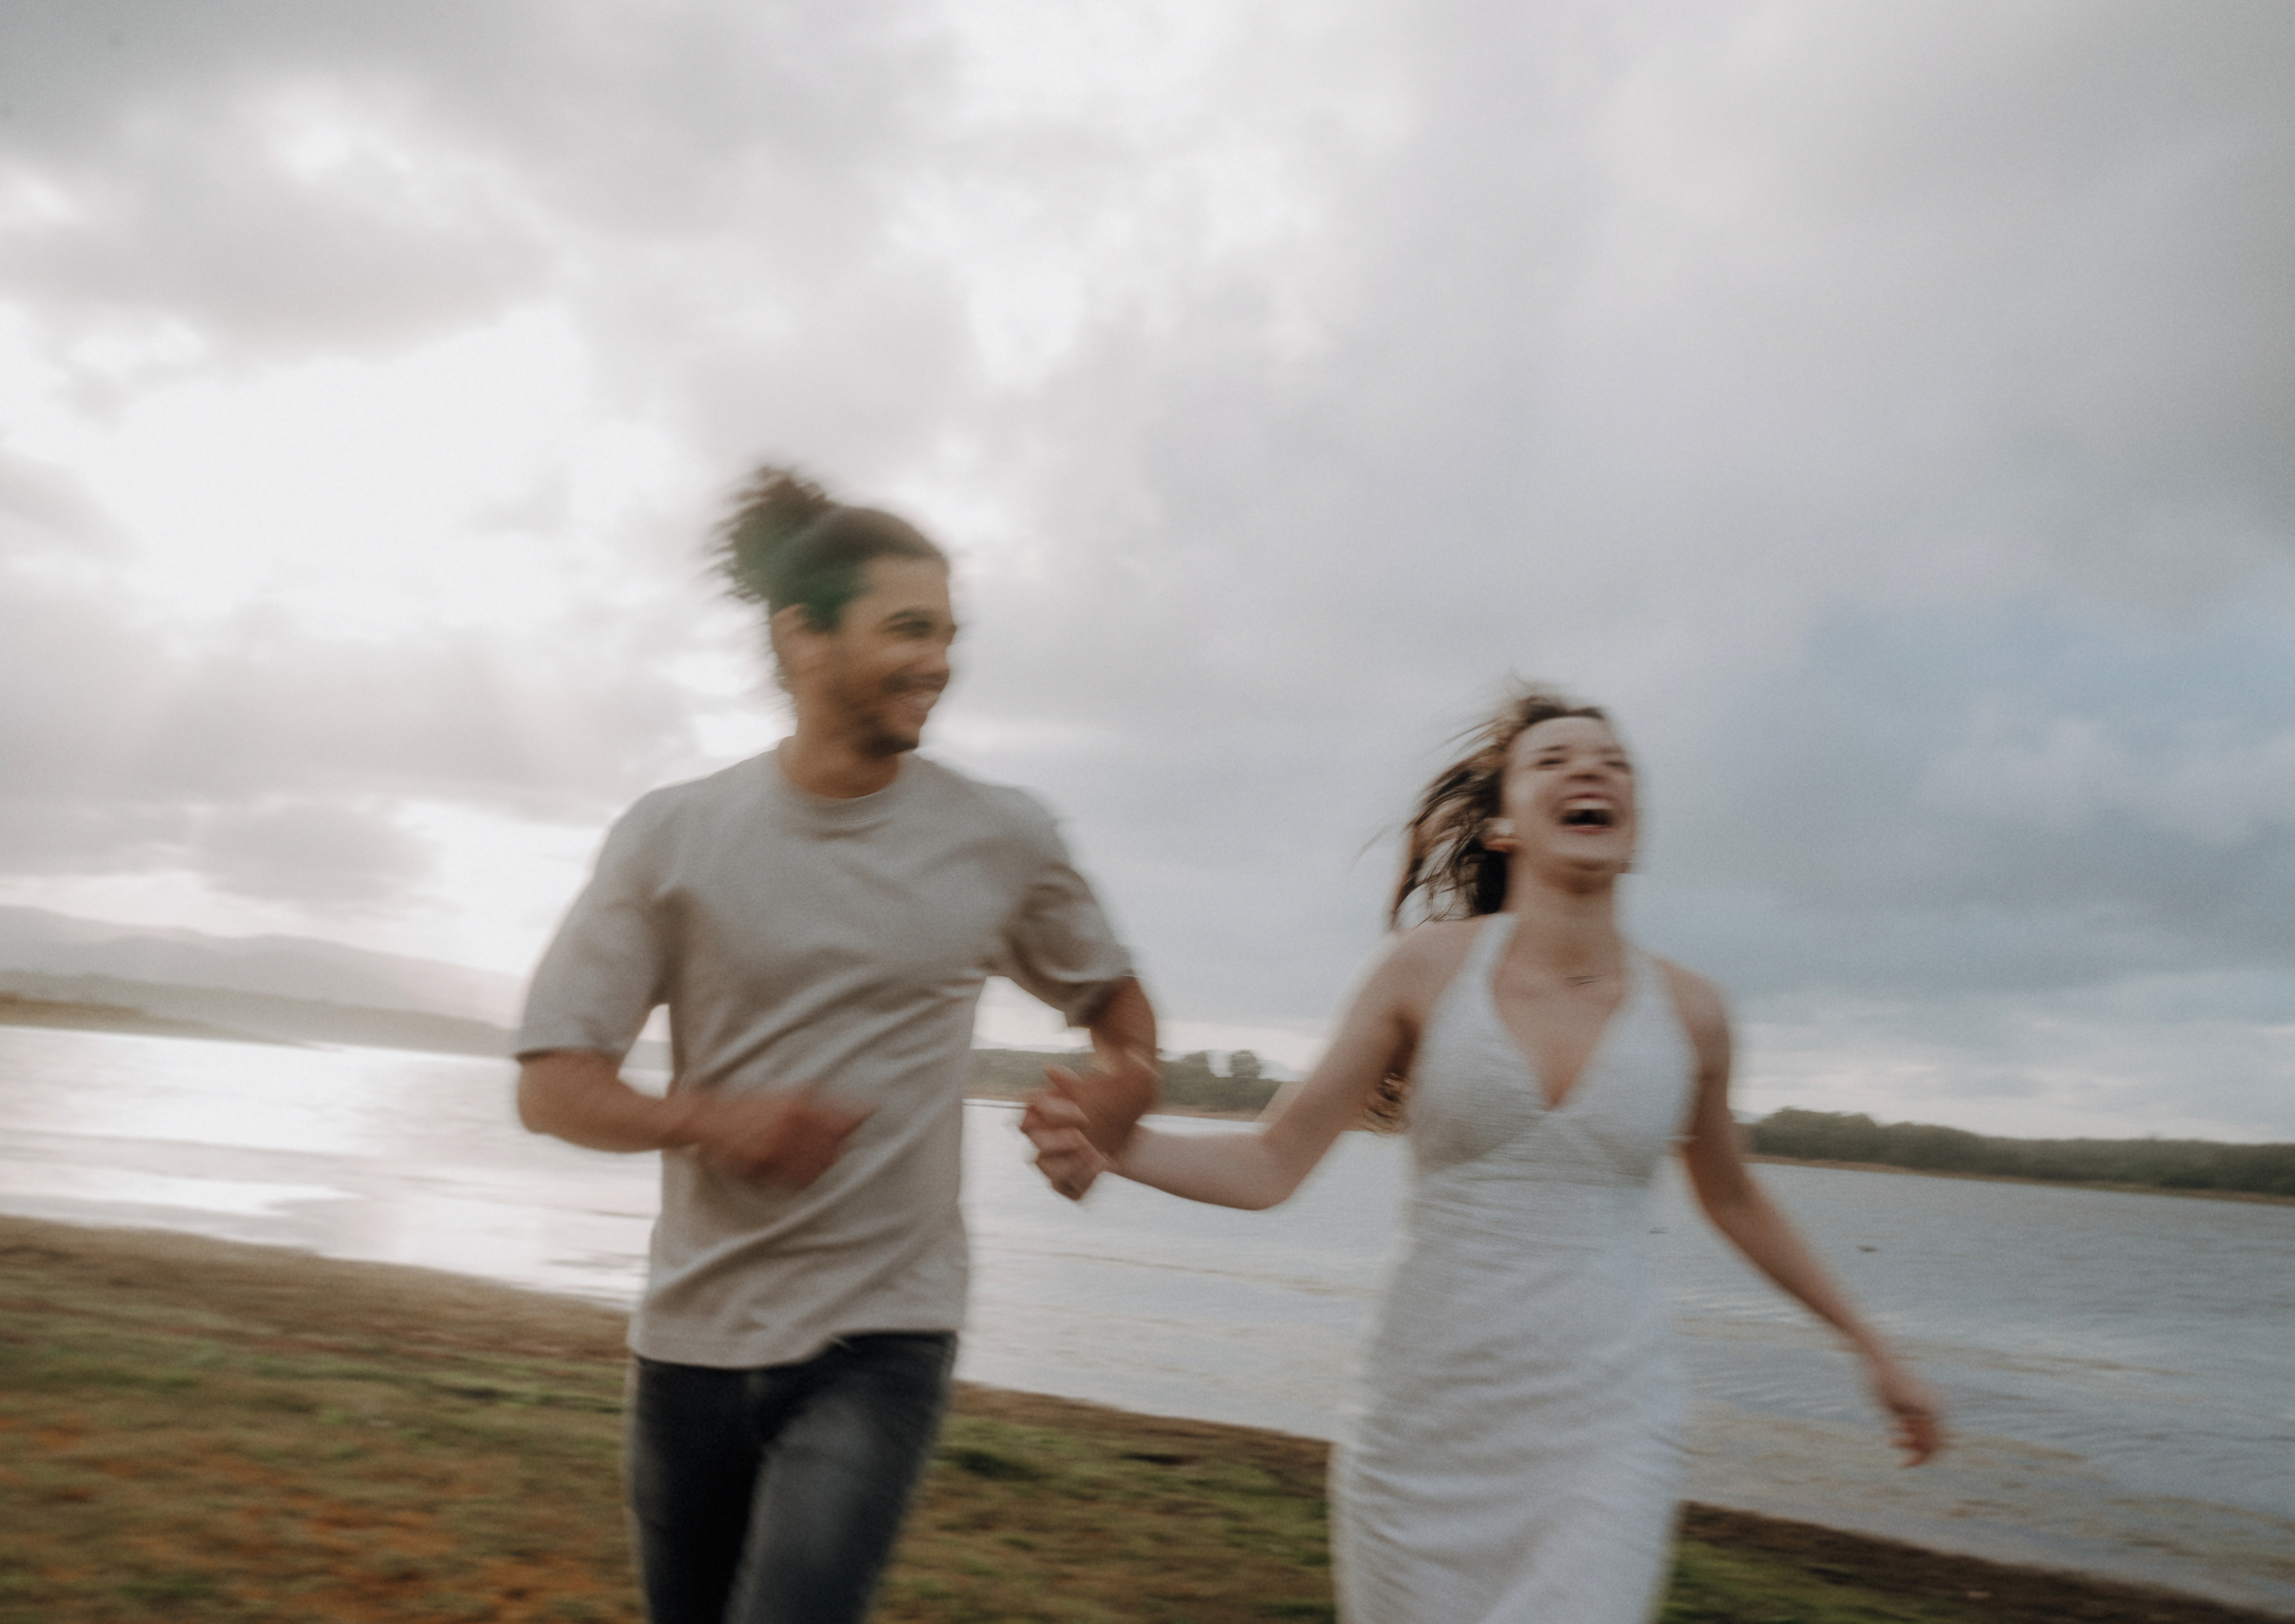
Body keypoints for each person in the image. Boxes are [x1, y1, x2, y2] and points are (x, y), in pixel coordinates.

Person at [1024, 689, 1944, 1624]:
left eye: (1612, 761)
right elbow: (1274, 1161)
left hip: (1608, 1422)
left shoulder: (1693, 1014)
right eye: (1553, 759)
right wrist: (1118, 1146)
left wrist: (1868, 1346)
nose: (1590, 769)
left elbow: (1736, 1200)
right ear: (1504, 824)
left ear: (1633, 826)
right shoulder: (1422, 970)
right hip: (1422, 1421)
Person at [515, 466, 1158, 1624]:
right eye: (906, 628)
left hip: (884, 1336)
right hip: (692, 1341)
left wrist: (1119, 1097)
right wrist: (712, 1119)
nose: (937, 661)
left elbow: (1115, 1003)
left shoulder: (999, 837)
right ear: (800, 636)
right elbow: (556, 1086)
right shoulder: (674, 836)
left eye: (949, 634)